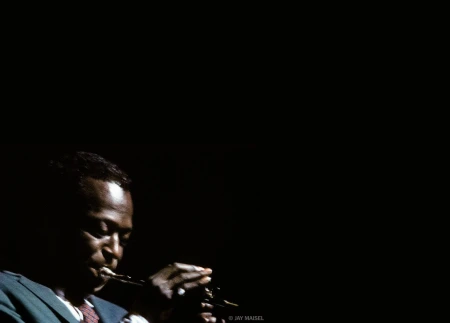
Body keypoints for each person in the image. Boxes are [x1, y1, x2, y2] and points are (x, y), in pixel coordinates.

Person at [0, 151, 225, 323]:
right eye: (101, 231)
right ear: (53, 224)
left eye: (124, 240)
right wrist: (141, 317)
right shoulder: (7, 293)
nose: (114, 251)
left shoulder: (117, 314)